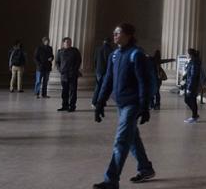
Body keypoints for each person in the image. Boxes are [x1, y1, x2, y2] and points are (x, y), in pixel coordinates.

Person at [93, 22, 154, 189]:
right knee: (132, 138)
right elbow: (108, 80)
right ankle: (146, 168)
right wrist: (100, 102)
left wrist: (144, 106)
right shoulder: (114, 55)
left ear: (128, 35)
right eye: (114, 33)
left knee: (121, 140)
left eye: (118, 33)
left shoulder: (136, 54)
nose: (114, 36)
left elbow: (143, 82)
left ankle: (111, 180)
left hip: (132, 104)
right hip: (121, 103)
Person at [56, 37, 82, 112]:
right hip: (64, 75)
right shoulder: (60, 51)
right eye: (66, 42)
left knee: (73, 91)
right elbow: (57, 62)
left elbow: (79, 61)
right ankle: (64, 105)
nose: (68, 43)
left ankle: (72, 106)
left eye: (69, 42)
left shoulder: (75, 51)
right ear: (63, 43)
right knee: (64, 91)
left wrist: (75, 69)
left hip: (72, 74)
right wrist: (60, 69)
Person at [91, 37, 113, 107]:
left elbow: (94, 60)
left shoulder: (98, 49)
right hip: (106, 71)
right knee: (104, 87)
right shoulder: (110, 50)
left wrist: (96, 69)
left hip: (98, 71)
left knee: (98, 87)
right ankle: (101, 102)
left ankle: (94, 102)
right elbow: (110, 62)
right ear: (110, 42)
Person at [183, 48, 201, 123]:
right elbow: (188, 74)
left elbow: (193, 76)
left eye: (188, 54)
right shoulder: (192, 62)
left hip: (192, 85)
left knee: (190, 100)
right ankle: (195, 115)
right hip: (190, 84)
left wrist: (189, 87)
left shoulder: (194, 62)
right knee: (189, 100)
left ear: (190, 54)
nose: (187, 55)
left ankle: (194, 116)